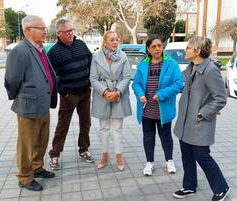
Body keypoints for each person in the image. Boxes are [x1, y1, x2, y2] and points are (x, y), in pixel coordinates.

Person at [4, 15, 57, 191]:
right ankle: (25, 177)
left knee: (41, 141)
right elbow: (12, 80)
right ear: (28, 30)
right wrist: (21, 97)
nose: (45, 31)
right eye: (41, 28)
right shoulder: (20, 50)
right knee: (26, 144)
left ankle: (37, 168)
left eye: (44, 27)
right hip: (28, 106)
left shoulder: (39, 48)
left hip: (43, 104)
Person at [173, 36, 229, 201]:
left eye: (188, 48)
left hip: (199, 123)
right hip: (185, 123)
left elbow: (220, 98)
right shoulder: (191, 67)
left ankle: (221, 187)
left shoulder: (211, 70)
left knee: (202, 156)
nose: (186, 50)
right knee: (187, 156)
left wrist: (202, 113)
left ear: (197, 51)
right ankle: (189, 186)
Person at [132, 34, 183, 176]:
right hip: (147, 109)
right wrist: (140, 94)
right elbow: (136, 84)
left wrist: (161, 95)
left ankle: (169, 160)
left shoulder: (171, 64)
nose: (157, 48)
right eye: (153, 46)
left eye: (159, 45)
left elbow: (178, 83)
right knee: (148, 137)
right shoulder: (143, 65)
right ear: (148, 49)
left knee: (166, 136)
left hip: (164, 110)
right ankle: (149, 162)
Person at [47, 19, 94, 170]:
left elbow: (90, 61)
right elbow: (53, 76)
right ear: (59, 33)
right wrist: (64, 92)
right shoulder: (54, 52)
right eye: (67, 31)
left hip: (85, 92)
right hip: (69, 95)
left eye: (72, 30)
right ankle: (54, 155)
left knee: (85, 122)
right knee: (63, 126)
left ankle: (84, 149)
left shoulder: (80, 44)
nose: (71, 34)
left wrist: (91, 82)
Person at [90, 31, 132, 171]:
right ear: (105, 42)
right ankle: (104, 155)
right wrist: (105, 92)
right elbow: (93, 78)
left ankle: (119, 156)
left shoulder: (123, 56)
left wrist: (117, 92)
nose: (115, 42)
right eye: (112, 40)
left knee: (117, 129)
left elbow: (127, 77)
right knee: (104, 128)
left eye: (117, 39)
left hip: (118, 95)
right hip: (103, 96)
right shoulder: (96, 57)